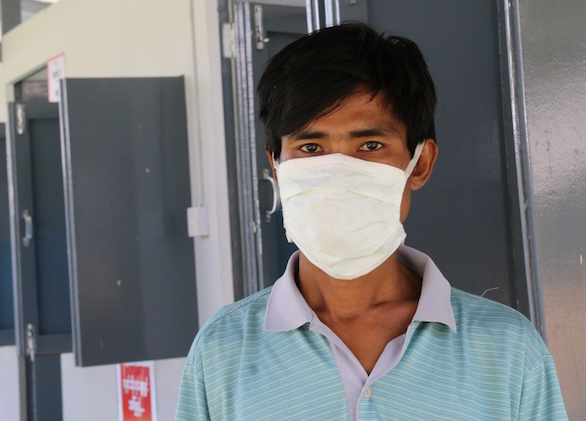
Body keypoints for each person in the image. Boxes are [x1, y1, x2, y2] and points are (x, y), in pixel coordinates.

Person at [175, 22, 568, 420]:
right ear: (276, 168)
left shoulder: (507, 350)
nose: (338, 171)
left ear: (421, 163)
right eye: (311, 147)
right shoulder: (222, 350)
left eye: (370, 145)